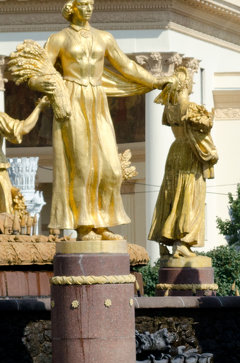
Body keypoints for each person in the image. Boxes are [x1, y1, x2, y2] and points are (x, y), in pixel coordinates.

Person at [37, 0, 168, 239]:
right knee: (82, 166)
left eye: (91, 4)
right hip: (71, 98)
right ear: (72, 7)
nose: (88, 8)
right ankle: (85, 226)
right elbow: (40, 71)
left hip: (97, 100)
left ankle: (102, 223)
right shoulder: (59, 38)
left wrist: (155, 81)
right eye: (83, 4)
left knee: (111, 168)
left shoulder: (104, 37)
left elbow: (126, 66)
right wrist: (44, 85)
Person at [148, 66, 218, 259]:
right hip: (189, 153)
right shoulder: (191, 108)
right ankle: (183, 241)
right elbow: (200, 135)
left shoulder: (169, 108)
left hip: (175, 151)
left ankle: (168, 241)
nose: (193, 83)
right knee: (190, 196)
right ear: (185, 84)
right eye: (191, 80)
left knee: (173, 195)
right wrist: (212, 154)